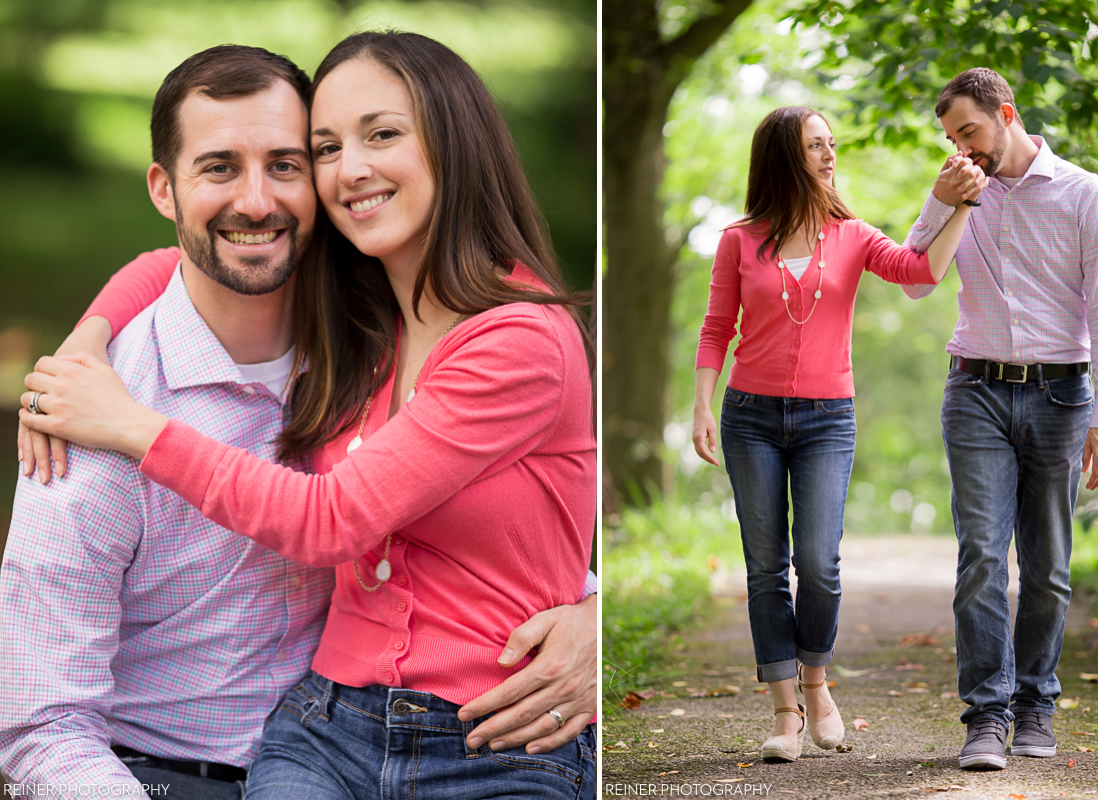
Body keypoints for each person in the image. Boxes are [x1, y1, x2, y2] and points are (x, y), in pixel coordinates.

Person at [9, 37, 596, 799]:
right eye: (219, 168)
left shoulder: (376, 325)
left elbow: (469, 512)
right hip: (178, 772)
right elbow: (40, 726)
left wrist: (591, 611)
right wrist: (94, 343)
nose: (258, 200)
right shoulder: (94, 413)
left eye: (288, 163)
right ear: (166, 191)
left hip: (467, 738)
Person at [690, 106, 985, 763]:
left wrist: (958, 207)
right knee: (765, 569)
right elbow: (716, 328)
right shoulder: (739, 240)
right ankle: (785, 711)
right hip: (750, 418)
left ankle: (819, 686)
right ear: (782, 159)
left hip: (828, 419)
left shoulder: (850, 235)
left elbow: (921, 272)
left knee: (818, 565)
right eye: (814, 146)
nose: (828, 155)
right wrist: (702, 406)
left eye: (831, 144)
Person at [899, 68, 1098, 771]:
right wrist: (943, 205)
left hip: (1064, 397)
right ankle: (987, 716)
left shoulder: (1083, 193)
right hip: (975, 391)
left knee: (1050, 567)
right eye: (949, 138)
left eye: (968, 132)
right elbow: (913, 279)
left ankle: (1036, 706)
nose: (960, 149)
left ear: (1007, 114)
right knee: (980, 559)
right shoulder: (957, 191)